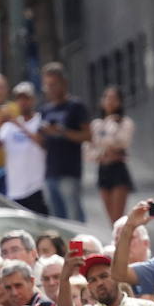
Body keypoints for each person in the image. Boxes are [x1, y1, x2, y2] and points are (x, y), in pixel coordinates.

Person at [37, 62, 91, 222]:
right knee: (57, 221)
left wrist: (62, 132)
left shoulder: (76, 106)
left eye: (53, 84)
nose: (50, 89)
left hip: (70, 172)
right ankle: (62, 249)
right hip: (50, 172)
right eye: (46, 85)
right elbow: (42, 143)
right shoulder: (45, 109)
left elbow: (88, 136)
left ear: (64, 83)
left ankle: (79, 248)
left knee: (74, 218)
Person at [0, 81, 47, 213]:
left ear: (33, 100)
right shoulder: (9, 126)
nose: (23, 102)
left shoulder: (40, 121)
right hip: (14, 190)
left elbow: (42, 143)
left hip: (36, 187)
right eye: (19, 99)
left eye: (26, 98)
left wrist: (19, 125)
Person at [88, 85, 134, 224]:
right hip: (103, 170)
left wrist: (109, 127)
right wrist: (102, 153)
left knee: (118, 218)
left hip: (118, 170)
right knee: (110, 220)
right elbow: (90, 149)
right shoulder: (96, 124)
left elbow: (121, 143)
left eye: (114, 98)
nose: (109, 101)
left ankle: (122, 244)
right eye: (107, 98)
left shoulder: (125, 122)